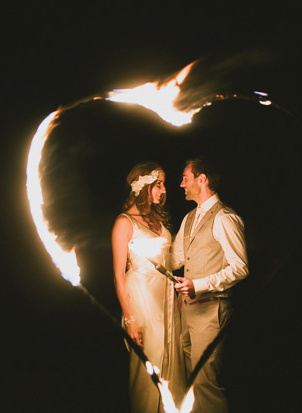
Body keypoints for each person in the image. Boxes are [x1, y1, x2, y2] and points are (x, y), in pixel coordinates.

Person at [171, 157, 249, 413]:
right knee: (190, 380)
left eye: (185, 178)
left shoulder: (225, 217)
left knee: (205, 381)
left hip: (211, 310)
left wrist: (199, 284)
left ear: (202, 179)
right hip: (186, 310)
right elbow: (176, 259)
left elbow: (240, 268)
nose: (181, 184)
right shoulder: (189, 217)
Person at [112, 162, 186, 412]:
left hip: (166, 302)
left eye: (162, 184)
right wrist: (131, 319)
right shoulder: (124, 223)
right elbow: (118, 277)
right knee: (148, 368)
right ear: (143, 186)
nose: (163, 190)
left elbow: (170, 262)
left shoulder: (157, 220)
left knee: (172, 361)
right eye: (159, 184)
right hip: (141, 302)